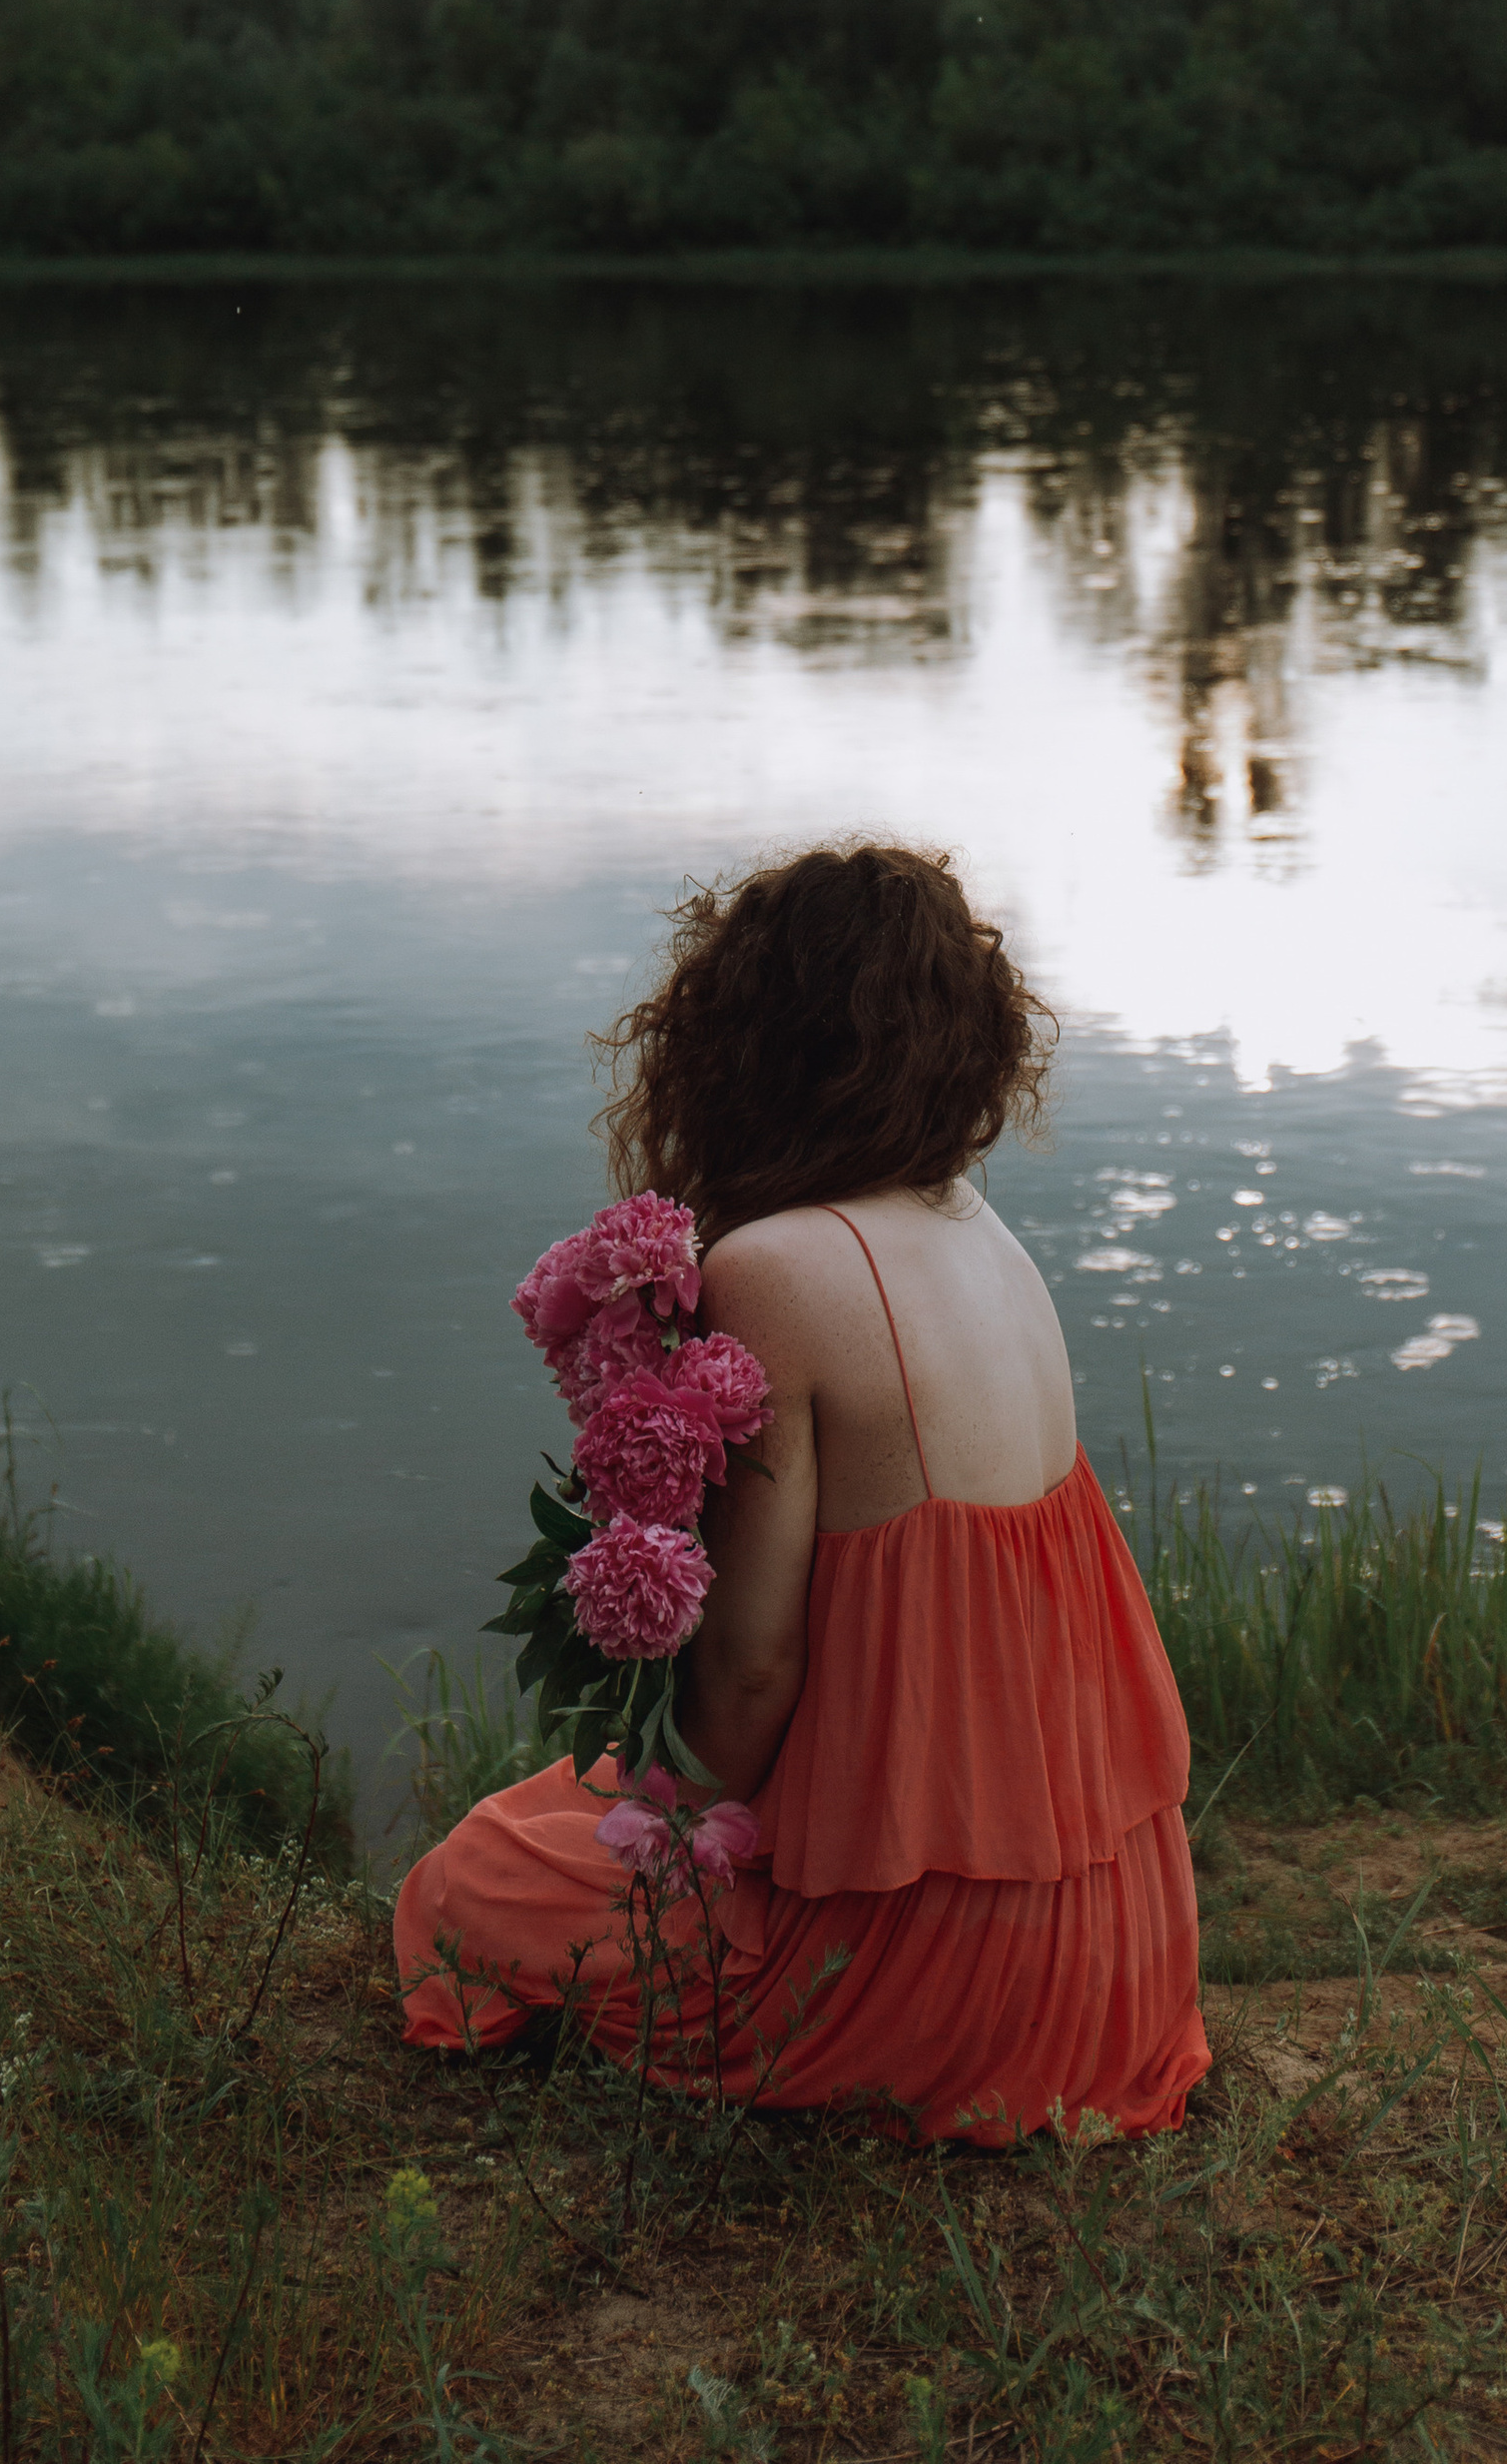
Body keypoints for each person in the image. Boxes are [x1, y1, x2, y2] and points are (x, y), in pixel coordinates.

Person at [393, 842, 1208, 2141]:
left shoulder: (777, 1270)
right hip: (1116, 1959)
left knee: (477, 1874)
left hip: (945, 1983)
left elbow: (755, 1678)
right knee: (551, 1827)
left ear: (746, 1044)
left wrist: (645, 1816)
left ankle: (792, 1986)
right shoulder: (978, 1232)